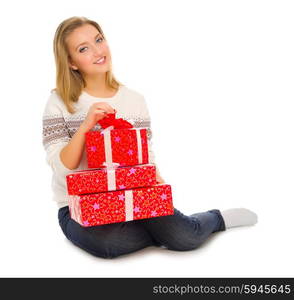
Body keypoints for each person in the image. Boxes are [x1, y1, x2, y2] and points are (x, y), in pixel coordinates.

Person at [42, 16, 258, 259]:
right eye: (84, 48)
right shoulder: (59, 102)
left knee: (186, 237)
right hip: (76, 206)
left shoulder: (134, 101)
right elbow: (61, 166)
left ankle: (216, 219)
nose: (98, 51)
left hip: (133, 197)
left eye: (99, 40)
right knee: (110, 244)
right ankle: (164, 232)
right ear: (71, 62)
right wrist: (86, 126)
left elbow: (145, 157)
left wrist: (159, 195)